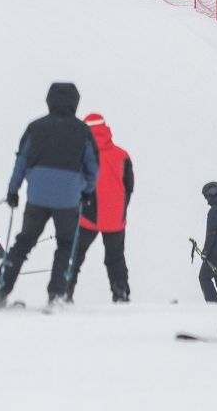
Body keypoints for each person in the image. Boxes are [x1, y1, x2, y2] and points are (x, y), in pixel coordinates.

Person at [0, 82, 98, 309]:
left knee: (23, 243)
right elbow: (93, 167)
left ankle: (0, 292)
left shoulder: (35, 127)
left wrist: (13, 191)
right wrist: (85, 190)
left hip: (37, 196)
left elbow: (21, 160)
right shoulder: (82, 131)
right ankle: (56, 296)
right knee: (66, 245)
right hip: (68, 198)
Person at [72, 113, 134, 302]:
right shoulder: (122, 155)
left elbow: (75, 184)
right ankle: (121, 293)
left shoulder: (81, 155)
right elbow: (129, 187)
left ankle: (64, 293)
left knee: (74, 255)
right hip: (115, 218)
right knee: (115, 258)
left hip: (88, 216)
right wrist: (121, 209)